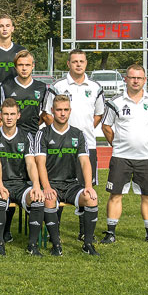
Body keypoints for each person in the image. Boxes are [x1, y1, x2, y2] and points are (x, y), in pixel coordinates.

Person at [100, 64, 148, 246]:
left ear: (145, 80)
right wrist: (117, 144)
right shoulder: (115, 102)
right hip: (121, 157)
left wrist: (147, 140)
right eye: (132, 77)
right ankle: (110, 233)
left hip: (146, 158)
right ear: (125, 79)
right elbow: (106, 126)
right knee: (115, 194)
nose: (135, 81)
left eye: (139, 78)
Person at [43, 49, 105, 240]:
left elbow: (98, 115)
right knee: (58, 185)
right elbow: (47, 114)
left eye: (82, 61)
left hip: (86, 146)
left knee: (86, 187)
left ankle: (84, 233)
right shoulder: (58, 86)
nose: (78, 64)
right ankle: (56, 231)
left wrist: (79, 135)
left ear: (86, 64)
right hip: (59, 145)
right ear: (68, 64)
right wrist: (61, 134)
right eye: (75, 61)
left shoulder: (95, 87)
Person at [34, 95, 100, 257]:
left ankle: (88, 244)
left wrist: (89, 186)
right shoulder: (43, 134)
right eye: (58, 110)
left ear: (70, 111)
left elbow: (85, 162)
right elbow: (39, 163)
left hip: (71, 184)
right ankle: (56, 245)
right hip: (51, 184)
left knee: (91, 199)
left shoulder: (78, 134)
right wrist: (47, 187)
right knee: (49, 199)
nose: (62, 113)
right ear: (52, 111)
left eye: (65, 110)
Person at [0, 49, 48, 241]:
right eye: (21, 65)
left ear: (33, 66)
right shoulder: (6, 86)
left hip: (33, 140)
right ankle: (7, 229)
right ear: (15, 66)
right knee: (12, 181)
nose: (24, 68)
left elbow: (45, 113)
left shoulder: (42, 87)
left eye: (27, 65)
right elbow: (1, 113)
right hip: (11, 139)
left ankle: (37, 230)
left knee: (34, 182)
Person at [0, 98, 45, 257]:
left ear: (19, 115)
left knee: (37, 199)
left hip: (21, 184)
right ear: (0, 116)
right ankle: (0, 245)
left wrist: (35, 185)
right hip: (2, 183)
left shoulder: (27, 136)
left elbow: (31, 164)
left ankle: (32, 246)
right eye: (5, 114)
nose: (9, 117)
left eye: (12, 114)